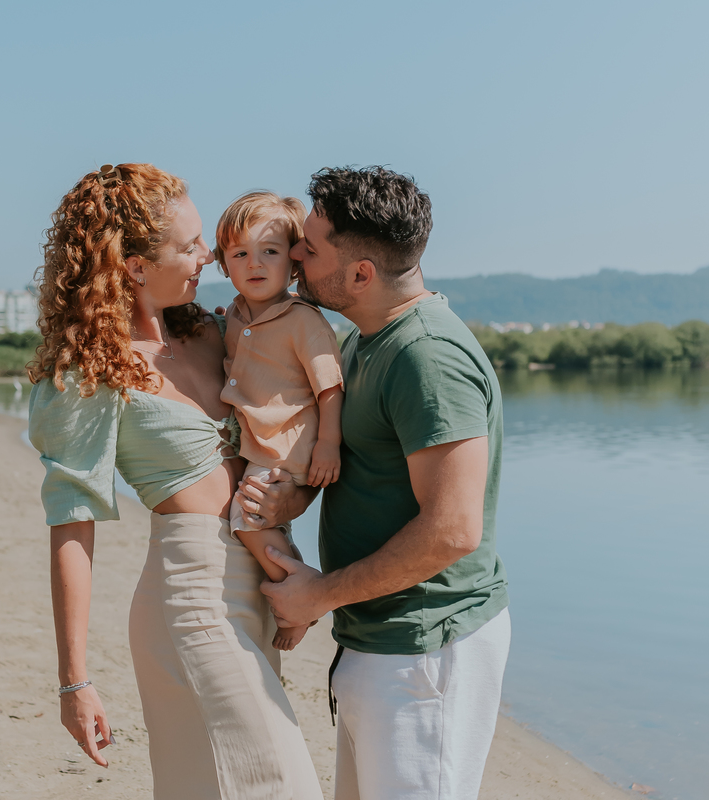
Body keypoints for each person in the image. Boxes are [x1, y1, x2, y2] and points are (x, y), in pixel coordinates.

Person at [28, 164, 323, 799]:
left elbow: (285, 433)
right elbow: (71, 528)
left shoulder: (218, 332)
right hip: (189, 596)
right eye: (189, 245)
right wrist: (74, 681)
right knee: (278, 782)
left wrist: (294, 515)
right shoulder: (88, 375)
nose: (209, 255)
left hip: (257, 578)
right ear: (133, 267)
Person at [248, 166, 511, 800]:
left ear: (361, 273)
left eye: (309, 250)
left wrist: (319, 596)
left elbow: (452, 530)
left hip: (424, 648)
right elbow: (363, 463)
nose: (296, 260)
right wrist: (299, 494)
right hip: (379, 641)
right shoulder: (366, 342)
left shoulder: (427, 356)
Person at [214, 191, 345, 652]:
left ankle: (299, 598)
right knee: (256, 519)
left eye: (269, 251)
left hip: (290, 443)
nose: (255, 263)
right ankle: (294, 583)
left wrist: (329, 444)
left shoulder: (302, 320)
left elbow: (329, 385)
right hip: (261, 443)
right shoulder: (230, 315)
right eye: (240, 253)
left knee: (249, 520)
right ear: (223, 264)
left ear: (293, 264)